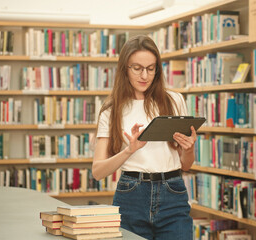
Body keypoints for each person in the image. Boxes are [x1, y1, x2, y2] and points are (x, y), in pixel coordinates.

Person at [92, 35, 196, 240]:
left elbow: (186, 165)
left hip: (172, 192)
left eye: (151, 68)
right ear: (125, 69)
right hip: (131, 194)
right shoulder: (111, 110)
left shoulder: (174, 100)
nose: (145, 75)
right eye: (137, 68)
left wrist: (189, 149)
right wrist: (129, 150)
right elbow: (97, 171)